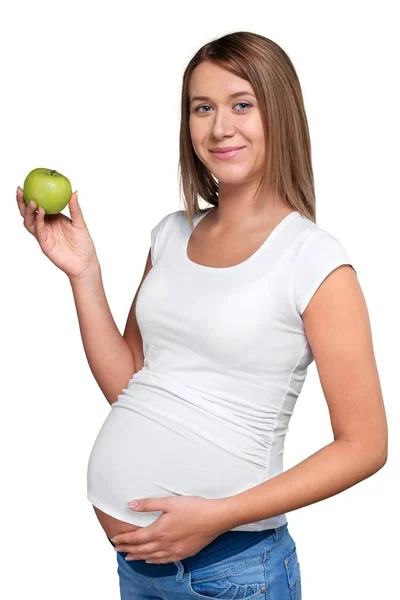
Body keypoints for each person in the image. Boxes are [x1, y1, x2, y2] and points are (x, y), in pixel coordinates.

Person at [17, 31, 387, 600]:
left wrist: (219, 514)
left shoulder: (314, 260)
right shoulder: (170, 234)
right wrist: (84, 275)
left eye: (242, 104)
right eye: (202, 108)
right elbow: (131, 384)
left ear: (279, 113)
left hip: (234, 573)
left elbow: (365, 444)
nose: (219, 127)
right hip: (139, 572)